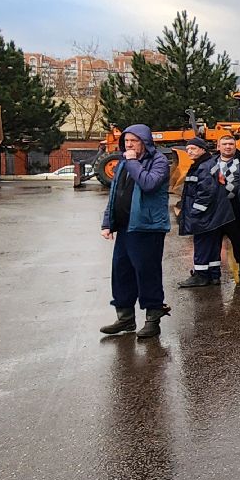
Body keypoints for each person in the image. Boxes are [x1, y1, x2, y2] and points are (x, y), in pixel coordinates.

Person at [99, 124, 172, 338]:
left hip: (147, 227)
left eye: (134, 141)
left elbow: (148, 184)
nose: (129, 145)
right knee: (121, 272)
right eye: (126, 141)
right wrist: (107, 222)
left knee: (146, 272)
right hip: (125, 227)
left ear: (145, 141)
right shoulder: (123, 163)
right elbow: (116, 193)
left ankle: (153, 318)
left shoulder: (158, 161)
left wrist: (131, 161)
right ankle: (125, 318)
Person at [176, 134, 240, 287]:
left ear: (235, 146)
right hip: (215, 210)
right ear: (218, 147)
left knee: (238, 238)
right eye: (224, 144)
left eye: (231, 144)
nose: (228, 147)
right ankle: (214, 273)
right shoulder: (211, 163)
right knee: (214, 241)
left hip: (237, 206)